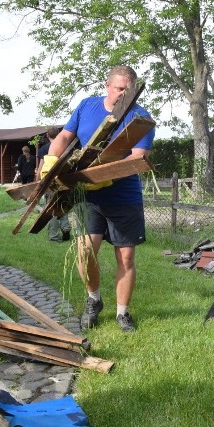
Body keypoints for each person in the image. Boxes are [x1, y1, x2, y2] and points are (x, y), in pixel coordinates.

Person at [40, 65, 155, 332]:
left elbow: (137, 157)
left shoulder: (141, 119)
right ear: (107, 85)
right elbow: (66, 136)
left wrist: (106, 174)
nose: (123, 94)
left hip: (124, 196)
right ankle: (94, 299)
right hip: (88, 196)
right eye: (119, 89)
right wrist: (51, 160)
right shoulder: (86, 107)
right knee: (84, 253)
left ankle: (122, 313)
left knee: (125, 258)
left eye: (129, 91)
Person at [36, 127, 71, 242]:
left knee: (51, 209)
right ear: (59, 134)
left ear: (47, 136)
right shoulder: (66, 145)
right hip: (65, 181)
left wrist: (37, 182)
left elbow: (41, 167)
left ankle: (54, 236)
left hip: (51, 183)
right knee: (63, 206)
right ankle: (66, 228)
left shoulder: (45, 148)